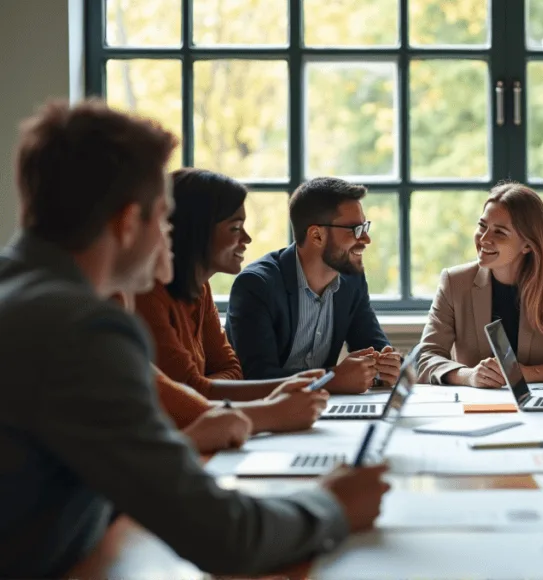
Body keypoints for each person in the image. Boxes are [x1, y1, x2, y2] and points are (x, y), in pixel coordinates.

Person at [0, 100, 389, 578]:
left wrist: (182, 445)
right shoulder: (80, 329)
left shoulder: (23, 296)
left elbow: (98, 470)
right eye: (164, 220)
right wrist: (330, 505)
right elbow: (225, 538)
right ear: (126, 224)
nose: (170, 237)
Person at [116, 211, 328, 442]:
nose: (170, 232)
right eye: (165, 222)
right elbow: (188, 401)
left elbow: (230, 372)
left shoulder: (199, 289)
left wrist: (266, 404)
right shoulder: (133, 305)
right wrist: (273, 410)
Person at [135, 169, 326, 401]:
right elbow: (185, 394)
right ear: (198, 230)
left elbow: (234, 370)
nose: (246, 239)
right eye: (235, 228)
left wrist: (204, 386)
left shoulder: (201, 290)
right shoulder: (147, 295)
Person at [418, 182, 543, 386]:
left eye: (499, 232)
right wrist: (470, 376)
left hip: (540, 405)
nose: (484, 239)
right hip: (477, 406)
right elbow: (425, 358)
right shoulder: (455, 282)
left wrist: (525, 373)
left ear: (528, 244)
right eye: (482, 226)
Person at [227, 177, 399, 394]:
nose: (366, 239)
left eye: (365, 227)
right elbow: (258, 377)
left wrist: (388, 366)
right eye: (355, 229)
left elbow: (374, 346)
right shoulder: (256, 285)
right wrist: (332, 378)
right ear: (316, 235)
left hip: (320, 410)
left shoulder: (351, 280)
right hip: (264, 417)